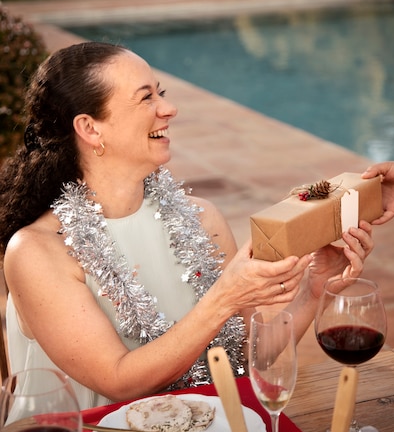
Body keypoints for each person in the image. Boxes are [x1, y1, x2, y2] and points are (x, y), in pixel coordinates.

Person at [0, 42, 373, 409]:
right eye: (146, 98)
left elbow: (244, 356)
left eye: (160, 93)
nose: (169, 108)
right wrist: (226, 296)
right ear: (91, 129)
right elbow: (118, 382)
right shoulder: (37, 251)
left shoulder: (202, 218)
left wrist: (314, 289)